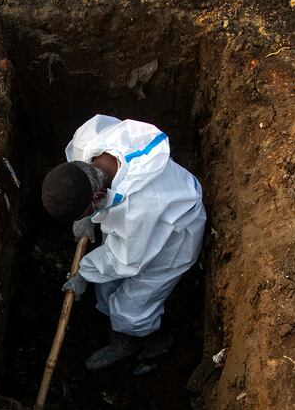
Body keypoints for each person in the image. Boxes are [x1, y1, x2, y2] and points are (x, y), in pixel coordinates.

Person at [40, 114, 207, 370]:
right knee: (106, 289)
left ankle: (151, 342)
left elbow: (126, 259)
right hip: (133, 220)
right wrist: (86, 218)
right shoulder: (88, 142)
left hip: (172, 233)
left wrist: (84, 272)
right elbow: (76, 168)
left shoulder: (140, 210)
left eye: (86, 211)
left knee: (131, 312)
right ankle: (119, 331)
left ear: (96, 196)